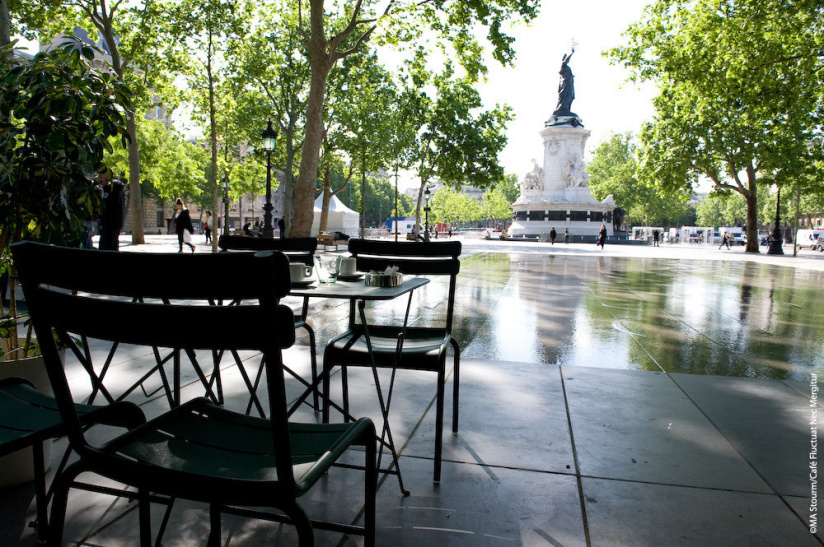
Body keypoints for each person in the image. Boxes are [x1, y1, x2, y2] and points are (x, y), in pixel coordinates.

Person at [98, 172, 125, 251]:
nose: (100, 180)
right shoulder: (107, 189)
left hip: (112, 222)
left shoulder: (112, 190)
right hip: (109, 222)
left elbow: (110, 206)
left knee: (109, 244)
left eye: (101, 178)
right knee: (109, 243)